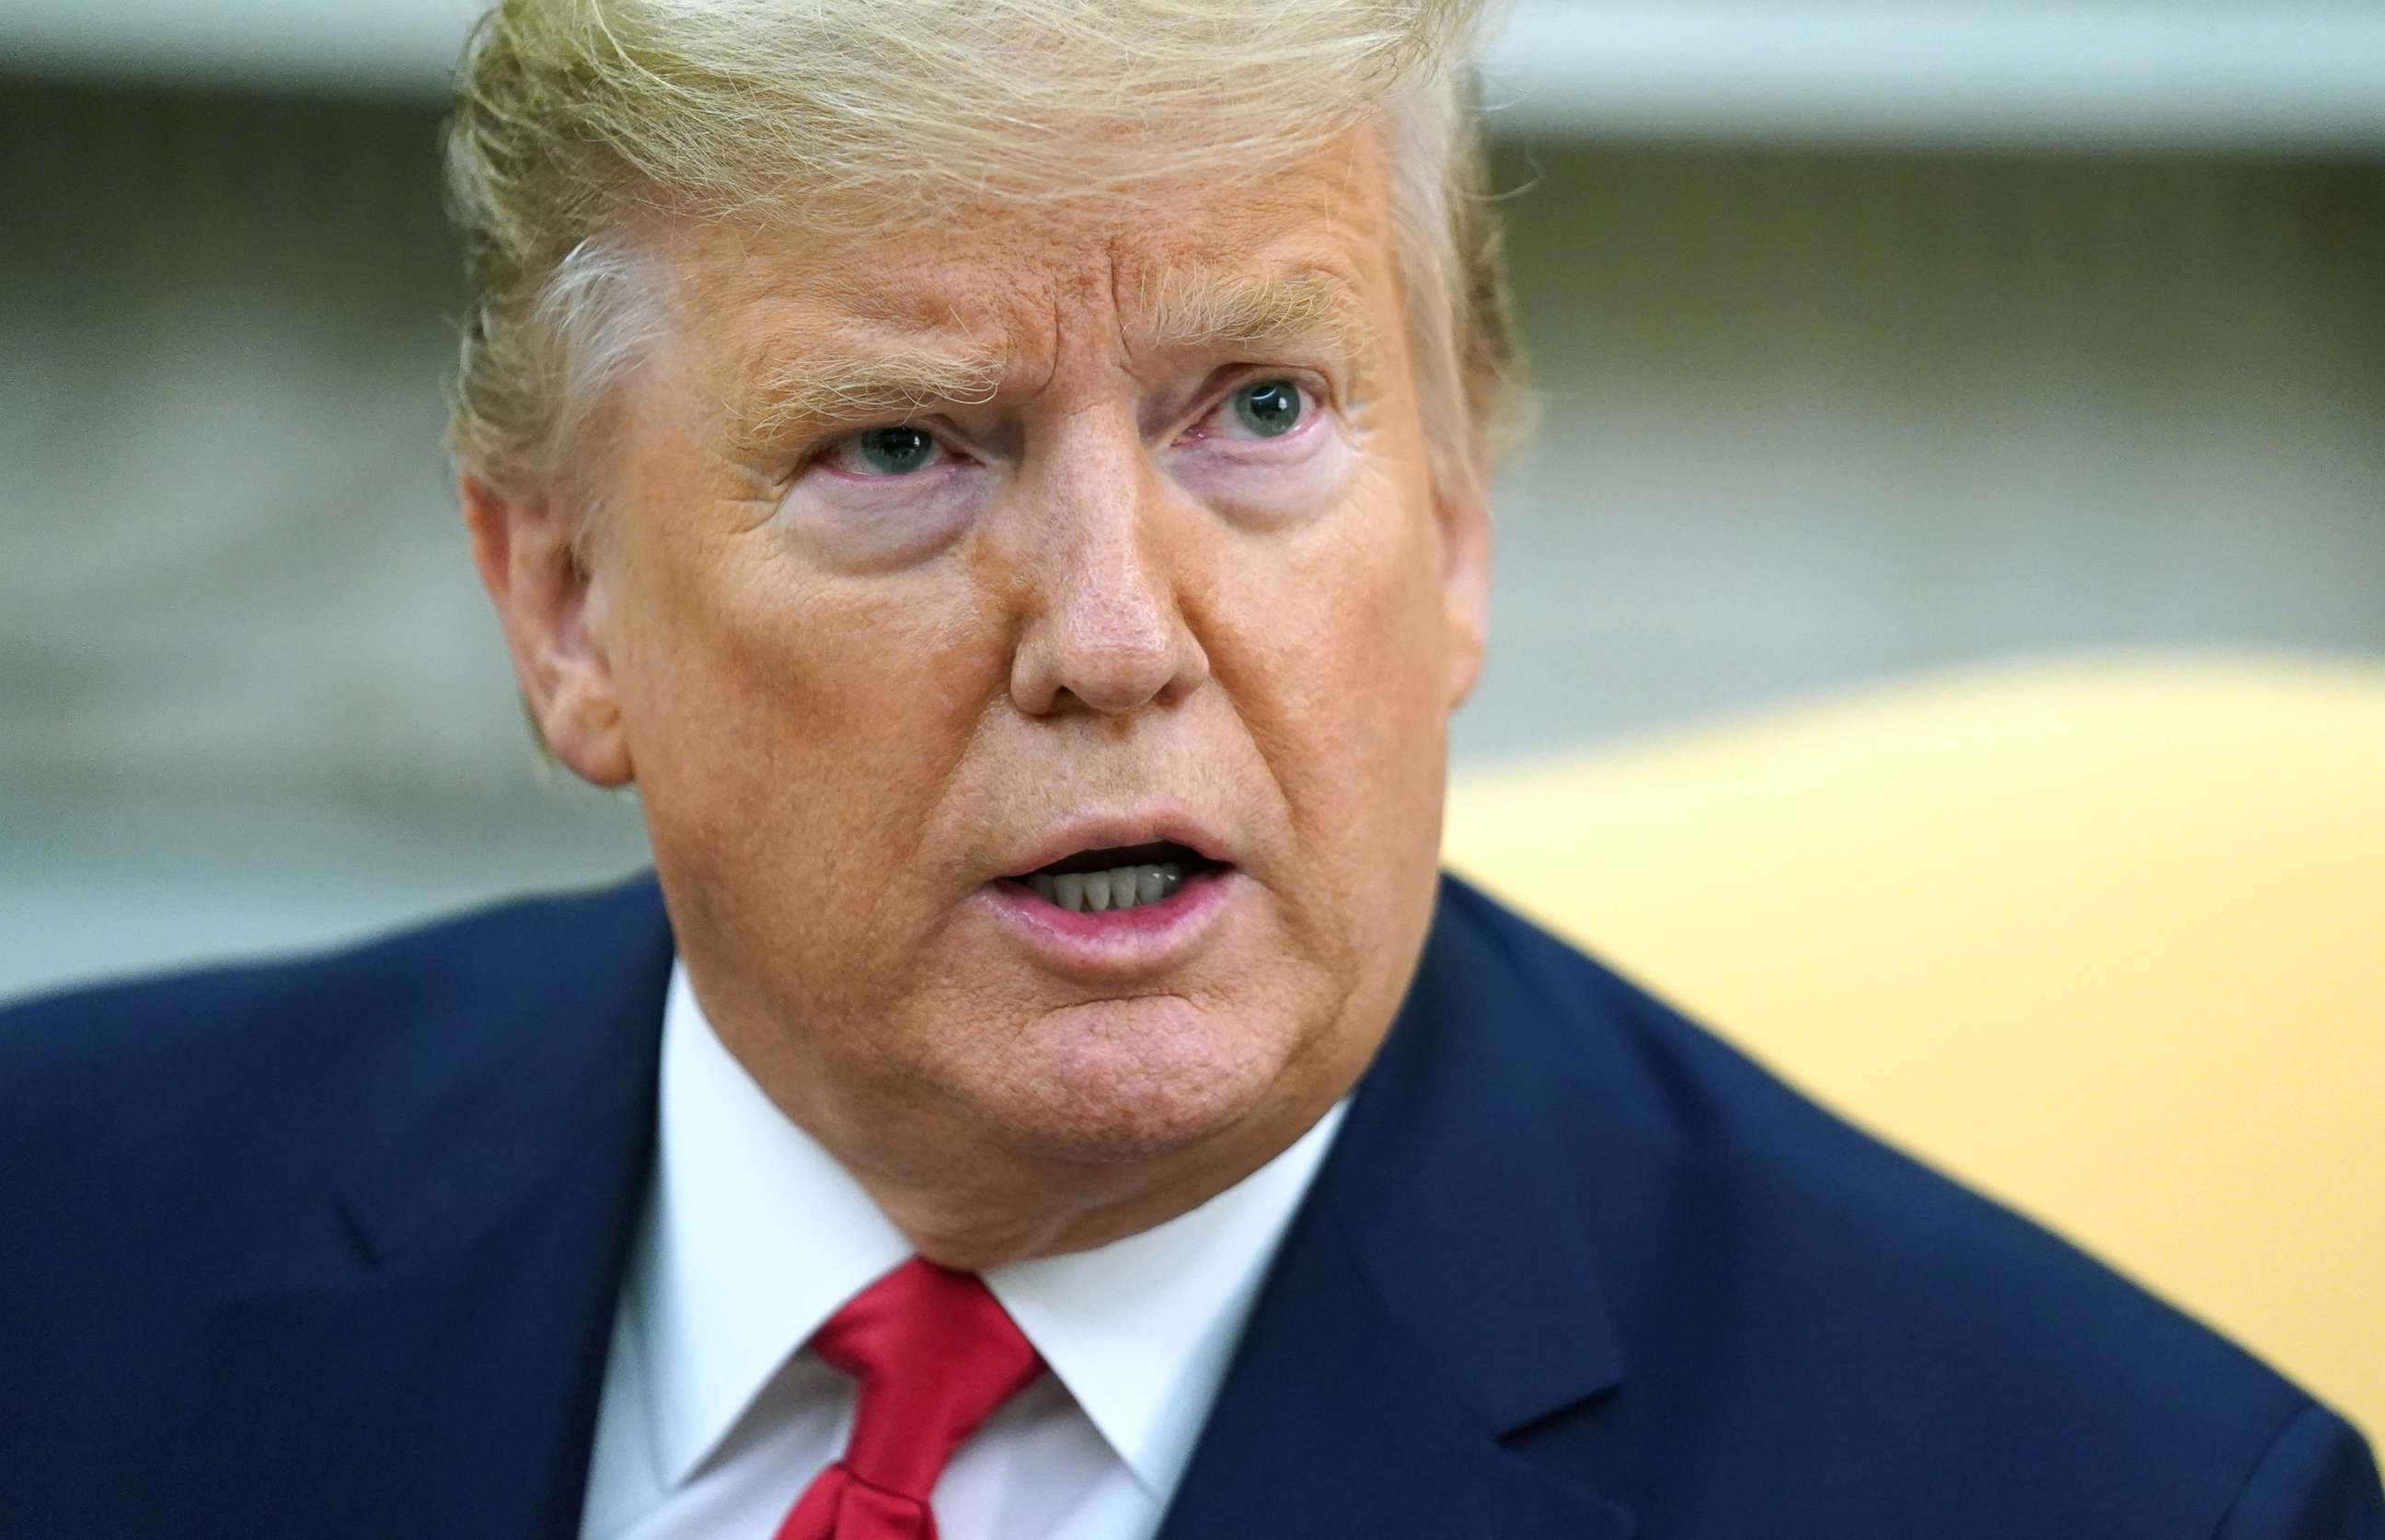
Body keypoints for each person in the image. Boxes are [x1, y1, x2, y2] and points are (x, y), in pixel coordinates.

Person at [3, 2, 2378, 1535]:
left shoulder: (2111, 1500)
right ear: (564, 603)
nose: (1117, 640)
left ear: (1454, 527)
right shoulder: (54, 1243)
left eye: (1259, 410)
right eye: (904, 445)